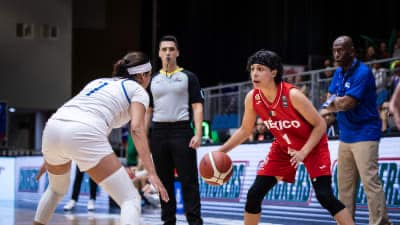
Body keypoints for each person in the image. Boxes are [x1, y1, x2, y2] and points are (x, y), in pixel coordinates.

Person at [217, 49, 355, 225]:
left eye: (260, 69)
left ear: (273, 72)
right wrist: (221, 151)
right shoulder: (252, 98)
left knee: (324, 196)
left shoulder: (292, 95)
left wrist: (304, 152)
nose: (254, 73)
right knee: (254, 194)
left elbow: (320, 125)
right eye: (252, 69)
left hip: (312, 146)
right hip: (283, 147)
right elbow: (245, 130)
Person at [32, 51, 169, 225]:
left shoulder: (98, 82)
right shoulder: (138, 90)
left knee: (56, 189)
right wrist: (151, 172)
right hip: (83, 131)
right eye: (149, 75)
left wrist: (53, 154)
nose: (149, 80)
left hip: (53, 128)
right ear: (142, 75)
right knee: (130, 199)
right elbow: (137, 129)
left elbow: (76, 117)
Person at [324, 35, 393, 225]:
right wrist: (333, 103)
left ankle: (380, 223)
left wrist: (332, 103)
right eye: (334, 50)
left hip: (365, 133)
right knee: (344, 187)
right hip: (345, 135)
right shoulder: (338, 73)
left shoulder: (363, 72)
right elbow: (330, 95)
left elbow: (347, 103)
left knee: (370, 183)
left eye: (341, 50)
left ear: (352, 51)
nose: (337, 54)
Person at [146, 35, 204, 225]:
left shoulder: (189, 77)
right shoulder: (152, 80)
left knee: (189, 181)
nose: (168, 52)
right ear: (159, 53)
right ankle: (167, 221)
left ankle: (195, 222)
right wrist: (144, 136)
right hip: (159, 133)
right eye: (164, 49)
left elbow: (197, 106)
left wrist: (198, 133)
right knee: (164, 182)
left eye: (171, 49)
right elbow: (148, 110)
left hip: (182, 131)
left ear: (177, 52)